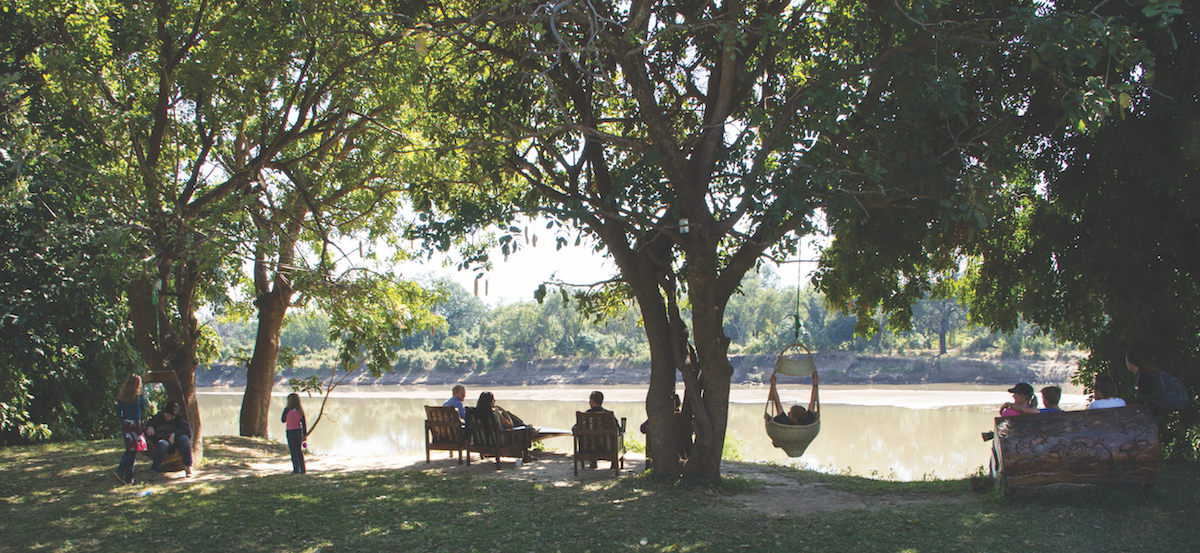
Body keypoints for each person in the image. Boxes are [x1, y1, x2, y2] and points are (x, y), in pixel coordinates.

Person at [476, 391, 533, 461]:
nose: (495, 401)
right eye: (493, 400)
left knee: (521, 426)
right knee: (523, 431)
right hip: (499, 441)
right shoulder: (495, 415)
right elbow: (510, 425)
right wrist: (504, 412)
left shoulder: (475, 414)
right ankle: (529, 429)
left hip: (482, 441)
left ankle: (528, 428)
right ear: (490, 402)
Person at [145, 401, 193, 479]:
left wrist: (174, 434)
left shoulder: (178, 419)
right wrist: (150, 427)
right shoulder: (158, 417)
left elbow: (187, 430)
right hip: (161, 441)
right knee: (164, 444)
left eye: (171, 417)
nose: (169, 418)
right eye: (167, 416)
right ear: (164, 413)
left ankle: (188, 467)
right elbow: (147, 424)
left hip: (174, 442)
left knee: (184, 439)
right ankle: (154, 471)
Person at [114, 374, 147, 485]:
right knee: (133, 450)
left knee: (130, 449)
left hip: (126, 423)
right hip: (136, 424)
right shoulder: (139, 398)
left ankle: (123, 473)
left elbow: (119, 413)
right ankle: (126, 475)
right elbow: (143, 409)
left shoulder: (122, 398)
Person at [1127, 348, 1167, 423]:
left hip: (1153, 415)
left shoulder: (1144, 376)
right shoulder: (1140, 376)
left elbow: (1160, 391)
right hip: (1148, 415)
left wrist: (1143, 398)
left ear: (1130, 363)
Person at [281, 393, 308, 474]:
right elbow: (304, 423)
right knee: (299, 451)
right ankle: (303, 469)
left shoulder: (287, 410)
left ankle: (296, 469)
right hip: (298, 431)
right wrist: (304, 434)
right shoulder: (300, 411)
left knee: (293, 451)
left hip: (290, 431)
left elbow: (283, 420)